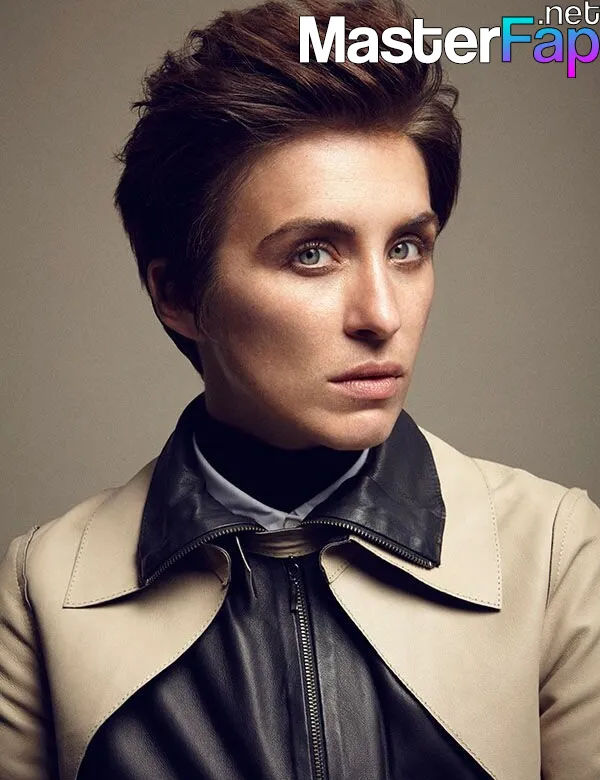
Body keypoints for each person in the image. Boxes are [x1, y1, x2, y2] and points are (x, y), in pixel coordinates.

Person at [1, 0, 599, 778]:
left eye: (407, 247)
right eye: (312, 254)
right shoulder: (44, 589)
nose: (382, 315)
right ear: (177, 294)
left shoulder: (555, 553)